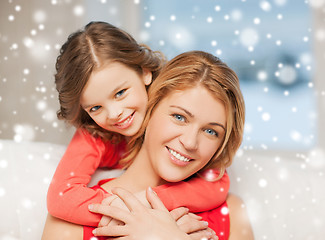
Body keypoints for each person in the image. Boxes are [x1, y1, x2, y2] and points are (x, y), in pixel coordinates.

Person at [42, 51, 254, 240]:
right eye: (179, 117)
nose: (190, 142)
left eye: (211, 131)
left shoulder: (232, 212)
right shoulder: (71, 222)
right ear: (150, 107)